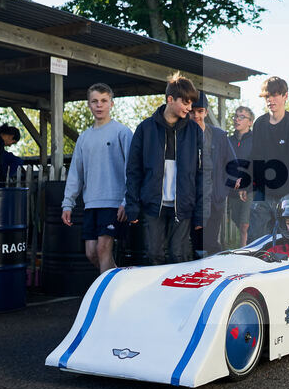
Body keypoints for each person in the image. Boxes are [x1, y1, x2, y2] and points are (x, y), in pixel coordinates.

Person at [125, 74, 204, 265]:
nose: (189, 108)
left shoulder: (194, 131)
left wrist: (200, 213)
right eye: (186, 102)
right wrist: (132, 206)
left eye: (191, 103)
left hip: (183, 206)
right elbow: (133, 171)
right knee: (154, 256)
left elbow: (202, 174)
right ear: (170, 99)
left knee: (179, 256)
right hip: (152, 206)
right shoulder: (145, 129)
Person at [61, 83, 132, 274]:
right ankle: (119, 282)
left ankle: (106, 301)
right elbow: (76, 173)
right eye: (95, 101)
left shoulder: (122, 132)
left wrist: (127, 201)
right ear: (88, 105)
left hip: (113, 203)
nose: (99, 105)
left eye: (103, 101)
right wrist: (68, 204)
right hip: (91, 204)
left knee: (103, 250)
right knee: (91, 253)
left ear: (111, 104)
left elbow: (131, 170)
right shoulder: (84, 138)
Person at [240, 77, 289, 243]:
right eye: (267, 96)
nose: (270, 100)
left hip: (287, 193)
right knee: (255, 240)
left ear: (285, 96)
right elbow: (255, 156)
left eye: (274, 95)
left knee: (285, 241)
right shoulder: (259, 124)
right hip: (262, 192)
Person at [191, 93, 239, 257]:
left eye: (200, 111)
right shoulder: (182, 135)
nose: (196, 115)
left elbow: (232, 164)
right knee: (192, 246)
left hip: (214, 199)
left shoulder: (219, 135)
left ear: (206, 112)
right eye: (192, 111)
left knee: (211, 244)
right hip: (191, 200)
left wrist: (223, 190)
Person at [227, 106, 254, 247]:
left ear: (250, 122)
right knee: (237, 221)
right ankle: (249, 246)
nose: (237, 119)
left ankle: (244, 253)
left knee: (245, 225)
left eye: (242, 117)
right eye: (236, 116)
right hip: (232, 189)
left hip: (250, 189)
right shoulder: (227, 140)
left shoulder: (256, 140)